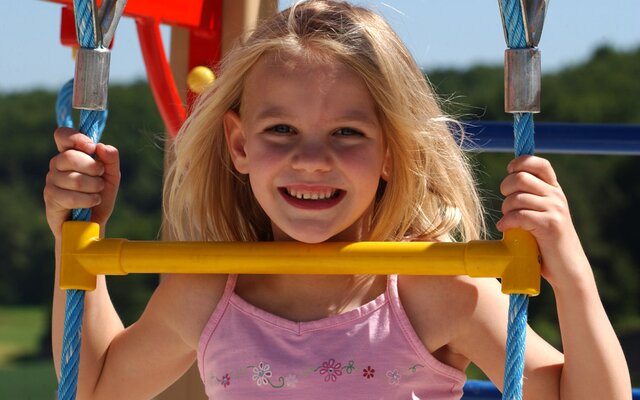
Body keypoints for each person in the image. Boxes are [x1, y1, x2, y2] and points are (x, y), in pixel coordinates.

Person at [44, 1, 631, 398]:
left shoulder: (433, 289)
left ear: (392, 152)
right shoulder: (208, 293)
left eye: (347, 132)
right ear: (239, 143)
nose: (311, 159)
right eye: (281, 131)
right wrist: (76, 235)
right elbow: (95, 387)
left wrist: (571, 269)